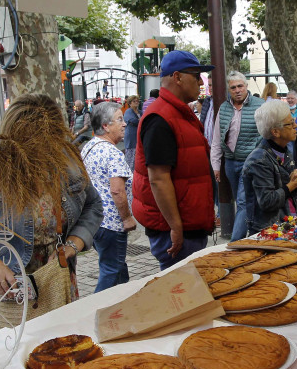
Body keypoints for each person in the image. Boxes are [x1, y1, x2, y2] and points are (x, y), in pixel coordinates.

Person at [0, 94, 103, 333]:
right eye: (34, 147)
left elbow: (93, 206)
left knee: (57, 344)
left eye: (50, 145)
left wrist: (73, 245)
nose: (43, 156)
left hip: (55, 276)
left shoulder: (65, 160)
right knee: (2, 358)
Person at [132, 50, 216, 269]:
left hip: (187, 226)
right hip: (176, 231)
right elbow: (158, 178)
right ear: (177, 77)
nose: (201, 82)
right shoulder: (161, 118)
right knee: (181, 295)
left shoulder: (178, 113)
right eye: (196, 75)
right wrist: (176, 227)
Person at [82, 102, 137, 292]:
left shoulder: (89, 147)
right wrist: (127, 218)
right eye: (119, 120)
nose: (124, 124)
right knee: (111, 270)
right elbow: (117, 190)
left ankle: (121, 303)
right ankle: (97, 310)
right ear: (105, 126)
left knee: (118, 268)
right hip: (111, 223)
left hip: (95, 220)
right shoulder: (113, 153)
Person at [211, 71, 265, 241]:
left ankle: (235, 242)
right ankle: (251, 234)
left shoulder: (259, 105)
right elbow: (217, 138)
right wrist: (216, 165)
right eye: (233, 87)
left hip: (250, 162)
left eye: (240, 86)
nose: (237, 90)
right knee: (243, 202)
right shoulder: (225, 107)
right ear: (229, 89)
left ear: (246, 86)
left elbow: (266, 135)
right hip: (230, 163)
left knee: (242, 202)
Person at [242, 100, 297, 233]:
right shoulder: (259, 160)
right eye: (290, 123)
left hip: (289, 223)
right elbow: (267, 201)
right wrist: (293, 184)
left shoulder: (285, 150)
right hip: (269, 230)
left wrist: (296, 181)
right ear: (276, 132)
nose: (296, 125)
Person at [122, 95, 141, 171]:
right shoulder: (128, 111)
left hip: (138, 136)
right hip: (131, 138)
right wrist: (140, 121)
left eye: (137, 101)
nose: (136, 102)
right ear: (130, 103)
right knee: (130, 159)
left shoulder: (140, 111)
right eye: (134, 101)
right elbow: (133, 120)